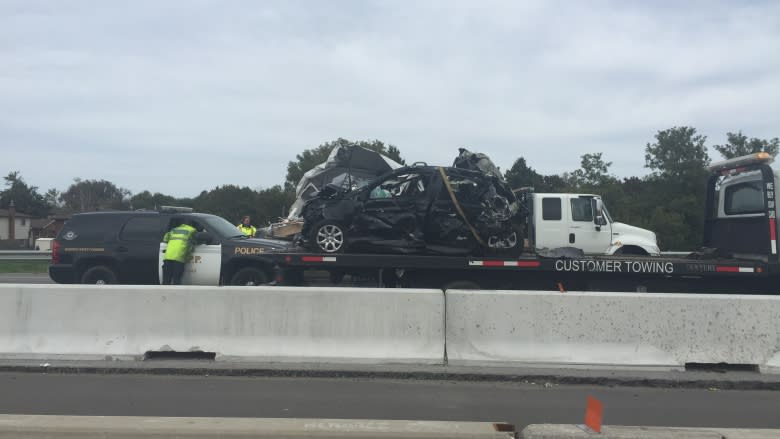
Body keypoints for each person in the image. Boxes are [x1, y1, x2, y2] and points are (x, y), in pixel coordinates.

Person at [162, 220, 198, 285]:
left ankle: (163, 294)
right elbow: (195, 242)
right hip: (179, 257)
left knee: (166, 280)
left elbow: (165, 239)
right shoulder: (192, 230)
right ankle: (176, 294)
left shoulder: (174, 229)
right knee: (176, 279)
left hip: (168, 256)